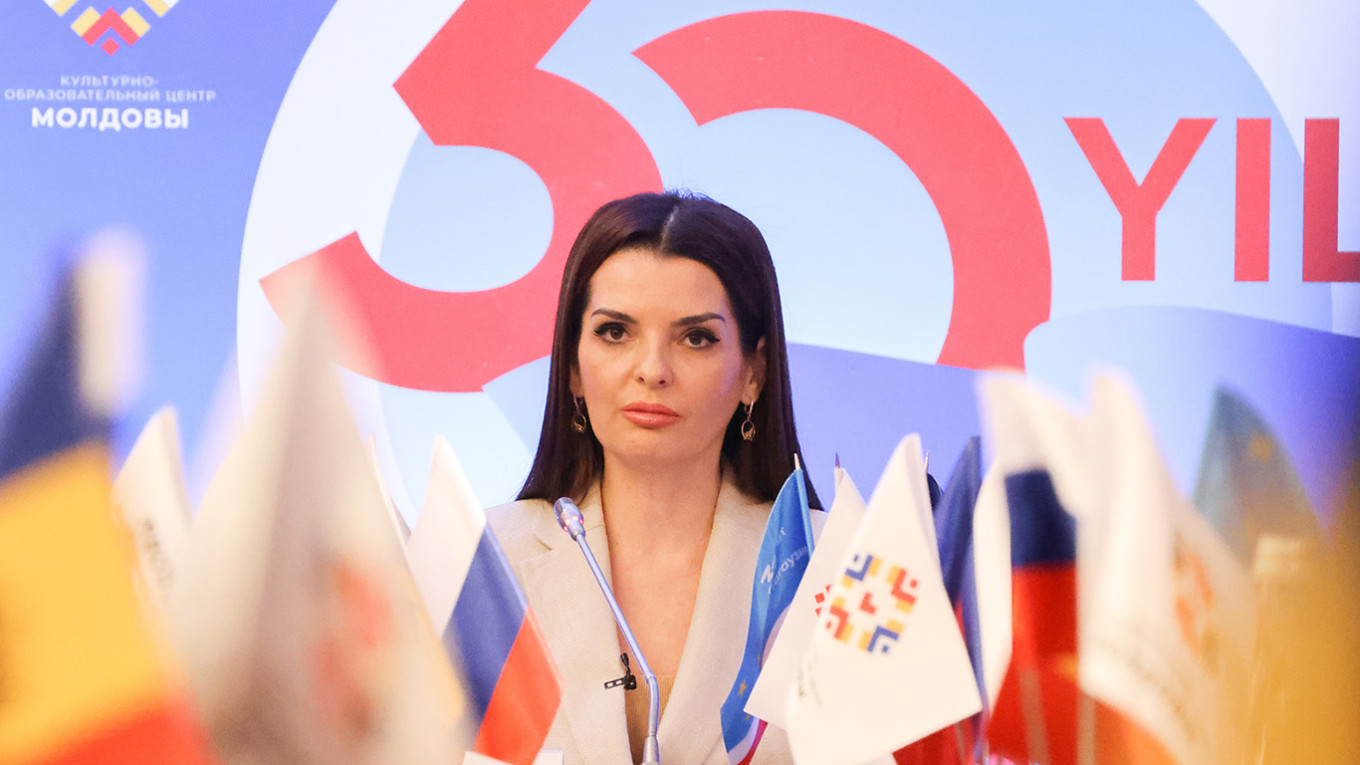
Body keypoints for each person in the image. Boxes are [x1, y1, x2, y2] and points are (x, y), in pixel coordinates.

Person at [488, 190, 823, 765]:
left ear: (753, 373)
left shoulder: (832, 564)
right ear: (571, 365)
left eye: (696, 338)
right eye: (616, 332)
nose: (651, 371)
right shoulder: (487, 562)